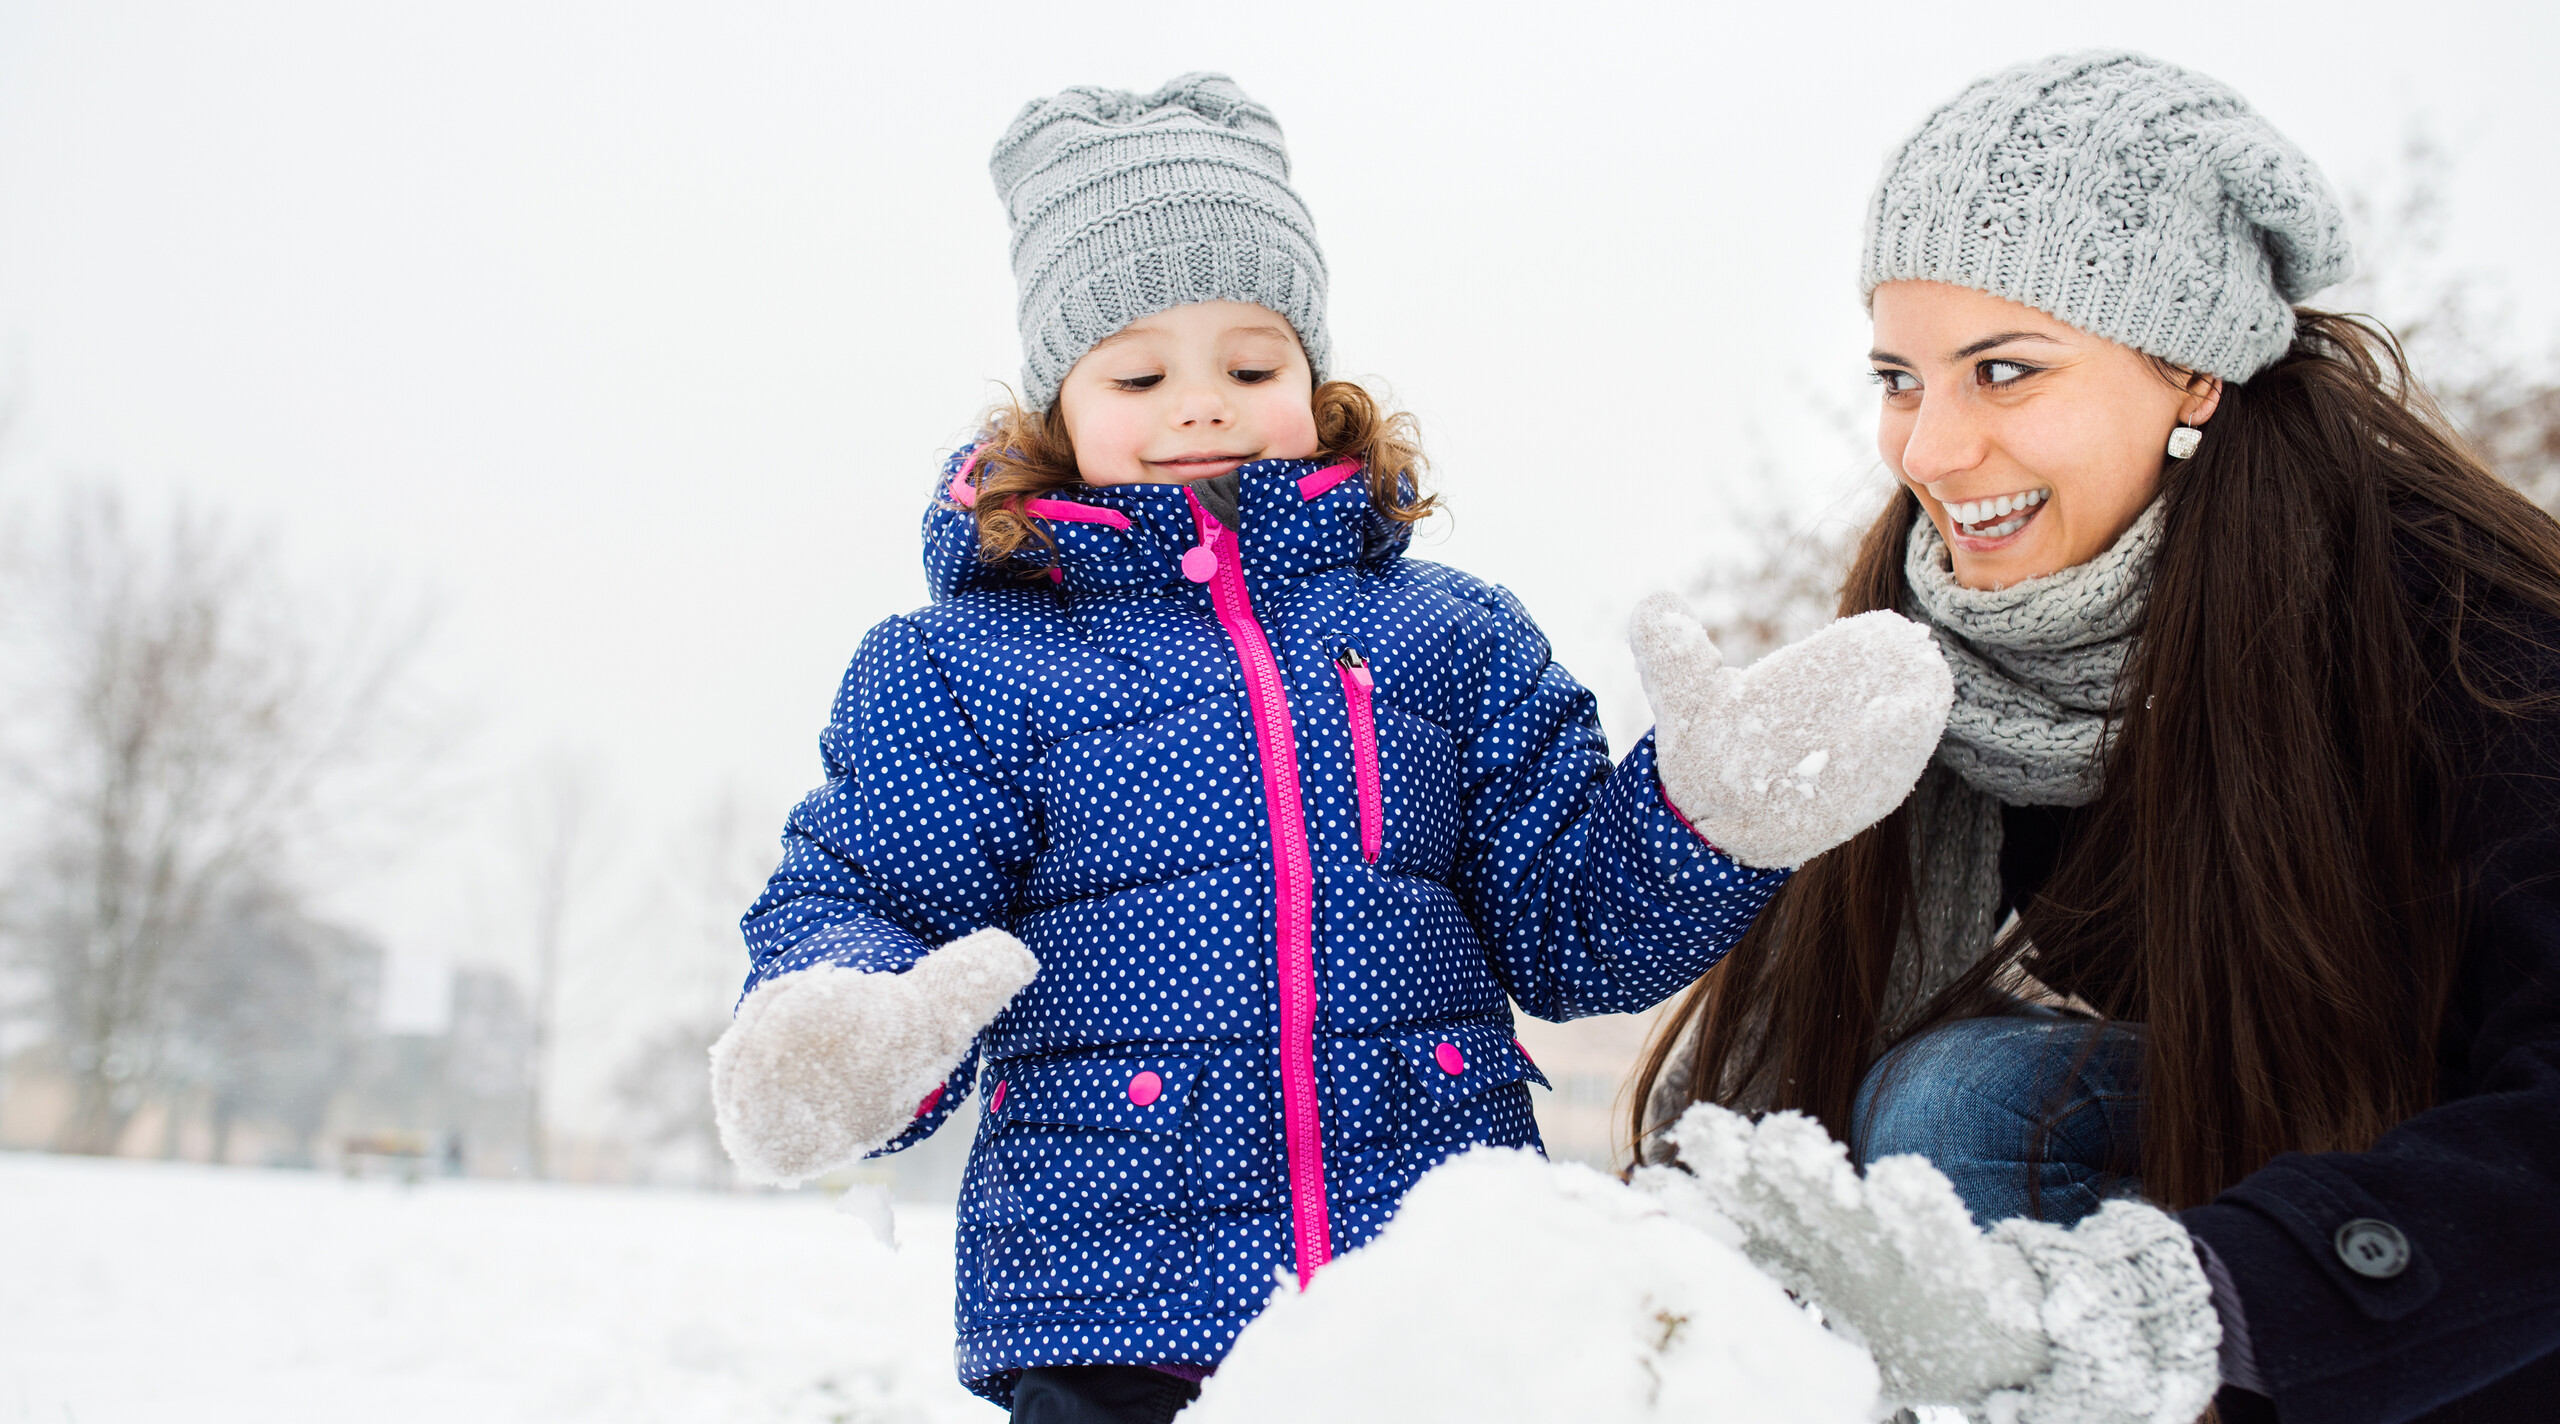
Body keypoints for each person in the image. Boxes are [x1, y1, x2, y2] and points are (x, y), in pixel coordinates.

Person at [703, 74, 1952, 1423]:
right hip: (1118, 1308)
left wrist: (1704, 815)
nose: (1201, 406)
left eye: (1252, 365)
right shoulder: (967, 670)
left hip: (1425, 1307)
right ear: (1055, 404)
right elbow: (869, 894)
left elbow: (1567, 924)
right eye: (1138, 372)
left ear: (1313, 373)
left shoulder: (1445, 639)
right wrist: (840, 1032)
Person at [1632, 50, 2560, 1424]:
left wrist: (2198, 1299)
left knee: (1965, 1105)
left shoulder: (2470, 643)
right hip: (2238, 1171)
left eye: (2003, 372)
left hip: (2435, 1310)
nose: (1930, 452)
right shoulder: (1948, 648)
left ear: (2190, 372)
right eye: (1902, 377)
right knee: (1947, 1108)